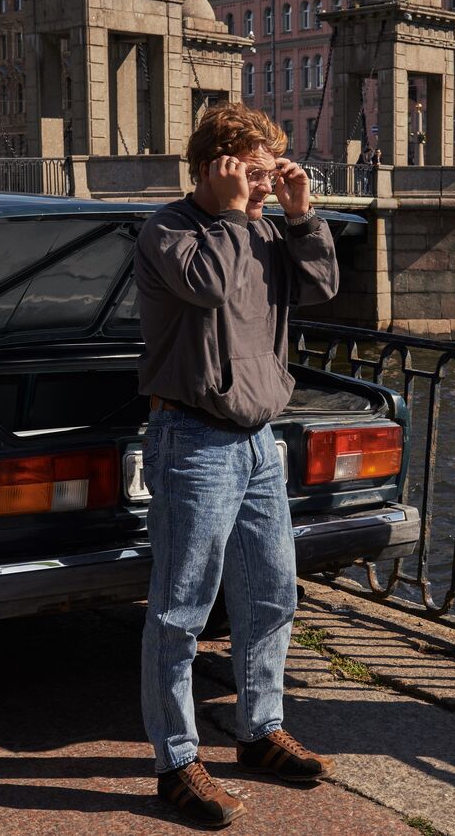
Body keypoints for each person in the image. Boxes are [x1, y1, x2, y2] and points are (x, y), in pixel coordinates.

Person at [134, 103, 340, 829]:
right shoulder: (171, 231)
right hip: (191, 439)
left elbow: (320, 288)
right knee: (181, 611)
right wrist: (229, 213)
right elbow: (210, 289)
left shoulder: (260, 228)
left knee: (272, 594)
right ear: (216, 168)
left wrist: (300, 214)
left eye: (269, 173)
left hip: (256, 439)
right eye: (254, 173)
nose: (263, 187)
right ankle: (177, 763)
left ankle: (259, 732)